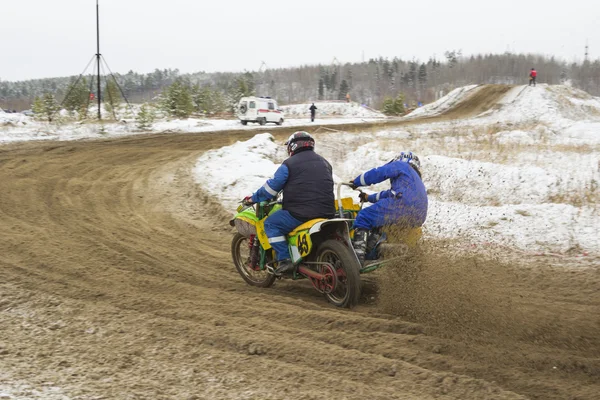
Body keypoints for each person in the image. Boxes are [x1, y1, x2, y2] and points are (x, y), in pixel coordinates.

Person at [243, 131, 335, 275]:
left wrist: (253, 198)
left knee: (271, 224)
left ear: (292, 147)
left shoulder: (289, 164)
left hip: (301, 213)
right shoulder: (325, 162)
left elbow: (270, 189)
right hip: (328, 211)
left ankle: (285, 260)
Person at [348, 151, 428, 264]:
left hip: (402, 205)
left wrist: (357, 182)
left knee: (364, 216)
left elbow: (379, 173)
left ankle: (356, 260)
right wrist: (368, 197)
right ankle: (375, 249)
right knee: (380, 222)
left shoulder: (402, 165)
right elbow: (390, 194)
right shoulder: (415, 181)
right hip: (419, 215)